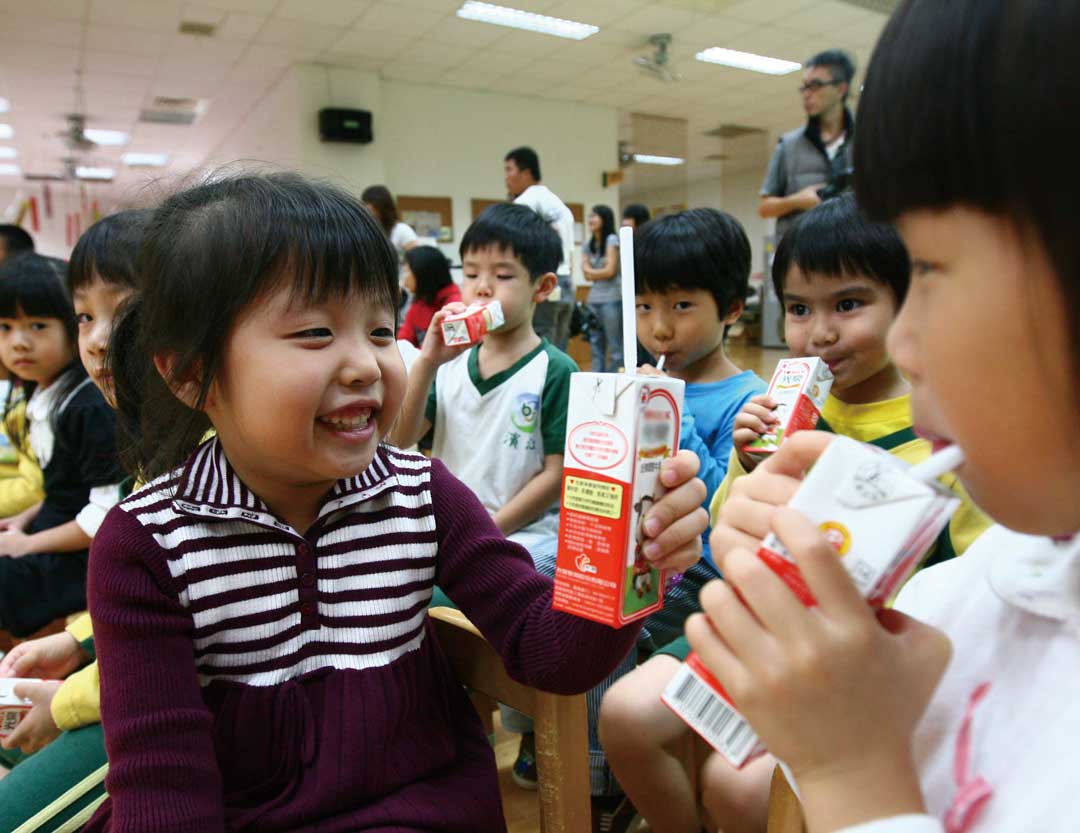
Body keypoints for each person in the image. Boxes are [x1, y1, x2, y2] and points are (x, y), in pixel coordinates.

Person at [81, 173, 708, 833]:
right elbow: (163, 791)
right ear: (187, 372)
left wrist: (630, 557)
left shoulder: (418, 491)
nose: (366, 365)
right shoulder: (146, 545)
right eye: (316, 332)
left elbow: (550, 651)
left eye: (381, 330)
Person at [690, 3, 1078, 831]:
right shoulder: (977, 589)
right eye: (796, 307)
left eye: (929, 270)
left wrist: (852, 773)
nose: (904, 341)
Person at [601, 196, 990, 833]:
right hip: (762, 627)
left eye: (849, 304)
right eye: (801, 309)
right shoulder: (785, 414)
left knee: (743, 787)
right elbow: (723, 539)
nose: (819, 333)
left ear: (908, 304)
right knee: (625, 714)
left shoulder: (939, 437)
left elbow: (977, 582)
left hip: (868, 666)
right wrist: (750, 466)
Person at [0, 209, 150, 833]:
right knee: (10, 730)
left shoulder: (219, 459)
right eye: (86, 316)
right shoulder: (155, 441)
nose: (96, 339)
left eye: (124, 314)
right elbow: (141, 601)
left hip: (151, 715)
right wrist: (75, 643)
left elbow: (181, 653)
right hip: (111, 677)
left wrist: (66, 700)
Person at [0, 253, 123, 637]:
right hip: (53, 538)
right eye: (5, 327)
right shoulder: (44, 395)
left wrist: (28, 544)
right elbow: (71, 487)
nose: (19, 343)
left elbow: (106, 513)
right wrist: (24, 520)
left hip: (81, 561)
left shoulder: (89, 407)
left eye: (37, 326)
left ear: (74, 328)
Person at [759, 49, 856, 240]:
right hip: (802, 252)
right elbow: (764, 208)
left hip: (853, 252)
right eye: (804, 87)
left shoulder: (866, 142)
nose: (807, 94)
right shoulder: (788, 145)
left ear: (841, 89)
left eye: (816, 85)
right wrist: (796, 201)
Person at [504, 146, 576, 351]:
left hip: (546, 281)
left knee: (541, 343)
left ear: (526, 173)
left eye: (509, 170)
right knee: (560, 346)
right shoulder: (556, 202)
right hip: (567, 282)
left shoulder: (527, 201)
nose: (506, 177)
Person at [396, 245, 461, 348]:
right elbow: (403, 343)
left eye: (407, 271)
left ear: (423, 273)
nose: (404, 278)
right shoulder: (419, 303)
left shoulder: (455, 305)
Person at [582, 204, 621, 372]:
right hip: (593, 299)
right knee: (595, 345)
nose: (590, 220)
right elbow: (586, 274)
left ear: (604, 219)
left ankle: (615, 385)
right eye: (590, 216)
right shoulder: (587, 245)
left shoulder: (612, 239)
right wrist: (599, 271)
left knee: (615, 347)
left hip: (612, 298)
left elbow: (610, 271)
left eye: (595, 216)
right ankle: (597, 385)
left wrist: (592, 271)